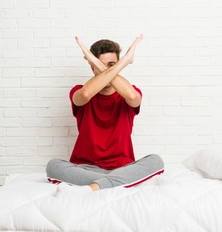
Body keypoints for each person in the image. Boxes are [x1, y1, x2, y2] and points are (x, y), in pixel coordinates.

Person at [46, 34, 164, 197]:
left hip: (123, 167)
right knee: (53, 166)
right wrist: (125, 61)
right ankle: (115, 182)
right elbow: (86, 95)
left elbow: (132, 97)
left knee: (156, 161)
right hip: (84, 168)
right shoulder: (78, 90)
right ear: (92, 67)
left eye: (112, 65)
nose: (107, 70)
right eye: (99, 65)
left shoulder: (130, 91)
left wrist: (96, 62)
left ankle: (95, 186)